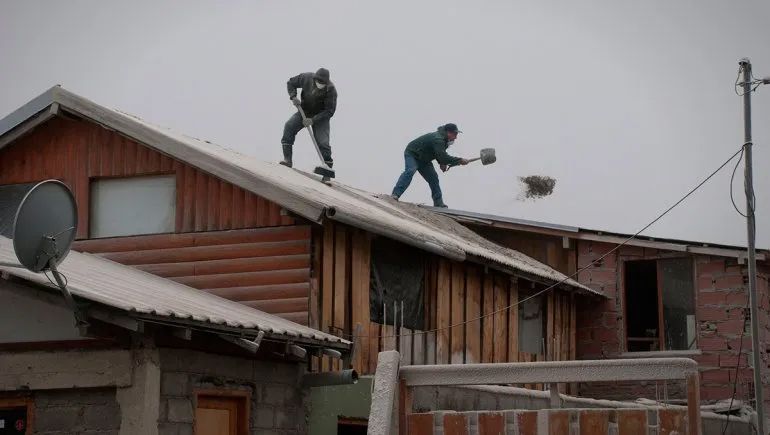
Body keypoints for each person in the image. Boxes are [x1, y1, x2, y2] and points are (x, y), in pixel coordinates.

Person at [390, 123, 469, 208]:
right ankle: (395, 194)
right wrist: (459, 160)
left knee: (434, 178)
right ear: (448, 132)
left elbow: (438, 153)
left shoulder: (444, 140)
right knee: (410, 170)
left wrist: (442, 163)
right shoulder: (438, 139)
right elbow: (443, 156)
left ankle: (438, 203)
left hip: (424, 159)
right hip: (413, 154)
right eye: (455, 134)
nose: (456, 137)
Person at [280, 68, 337, 168]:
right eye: (318, 81)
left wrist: (313, 120)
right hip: (304, 111)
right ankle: (287, 160)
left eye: (322, 83)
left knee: (323, 142)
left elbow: (329, 111)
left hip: (321, 117)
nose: (320, 84)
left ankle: (327, 170)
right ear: (314, 79)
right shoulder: (306, 78)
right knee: (289, 126)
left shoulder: (331, 90)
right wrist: (293, 96)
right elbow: (291, 82)